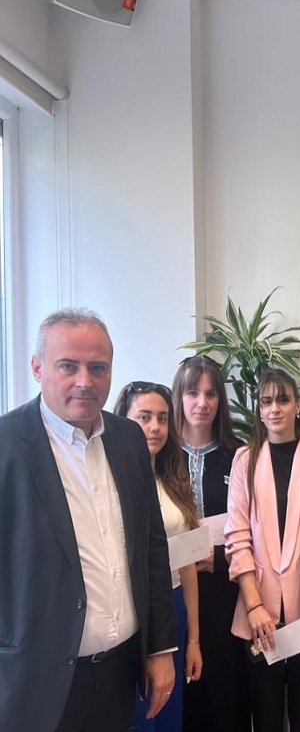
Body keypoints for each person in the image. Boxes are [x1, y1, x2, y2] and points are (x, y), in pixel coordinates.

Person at [0, 308, 175, 732]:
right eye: (68, 366)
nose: (85, 381)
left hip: (118, 673)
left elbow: (151, 547)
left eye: (98, 368)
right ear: (38, 368)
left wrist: (159, 649)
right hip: (34, 681)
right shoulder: (6, 445)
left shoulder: (128, 439)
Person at [225, 369, 300, 732]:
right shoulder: (245, 460)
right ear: (258, 410)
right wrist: (253, 606)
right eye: (266, 401)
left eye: (283, 399)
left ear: (297, 405)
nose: (274, 409)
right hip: (259, 611)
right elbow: (237, 537)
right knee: (264, 719)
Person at [114, 381, 204, 730]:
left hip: (174, 604)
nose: (155, 427)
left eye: (163, 419)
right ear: (122, 420)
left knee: (169, 712)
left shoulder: (174, 480)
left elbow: (187, 565)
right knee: (140, 714)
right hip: (133, 610)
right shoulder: (112, 482)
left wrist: (193, 639)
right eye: (145, 417)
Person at [173, 356, 251, 732]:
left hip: (224, 590)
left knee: (224, 692)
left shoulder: (238, 456)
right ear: (179, 396)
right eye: (193, 392)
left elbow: (257, 530)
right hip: (172, 590)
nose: (202, 403)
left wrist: (218, 558)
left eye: (210, 394)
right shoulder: (161, 456)